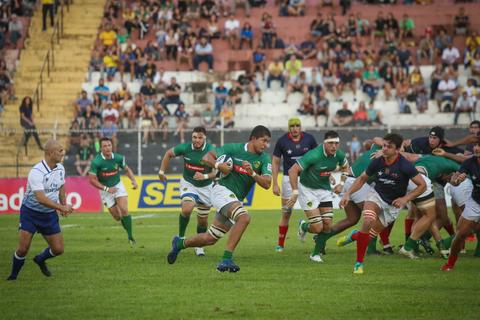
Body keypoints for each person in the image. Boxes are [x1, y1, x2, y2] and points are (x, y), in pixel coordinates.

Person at [167, 125, 272, 272]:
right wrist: (219, 165)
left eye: (268, 142)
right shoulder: (233, 148)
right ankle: (226, 259)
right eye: (264, 141)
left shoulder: (264, 159)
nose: (266, 145)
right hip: (221, 191)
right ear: (253, 138)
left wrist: (253, 174)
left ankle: (179, 243)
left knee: (210, 238)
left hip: (235, 199)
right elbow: (206, 157)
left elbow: (267, 184)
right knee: (244, 218)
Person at [339, 133, 426, 274]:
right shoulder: (378, 161)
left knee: (368, 236)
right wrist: (348, 194)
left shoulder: (405, 165)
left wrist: (405, 199)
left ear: (397, 150)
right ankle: (358, 264)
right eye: (384, 145)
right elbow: (361, 179)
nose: (384, 149)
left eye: (388, 147)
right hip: (376, 196)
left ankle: (355, 236)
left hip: (393, 205)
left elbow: (422, 185)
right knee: (367, 221)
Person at [7, 140, 73, 280]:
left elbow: (61, 186)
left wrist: (63, 203)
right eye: (60, 151)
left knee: (58, 249)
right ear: (50, 153)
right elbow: (41, 199)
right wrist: (61, 207)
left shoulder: (60, 168)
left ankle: (40, 259)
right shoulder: (36, 172)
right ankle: (13, 277)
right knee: (23, 248)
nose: (63, 153)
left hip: (48, 214)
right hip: (30, 213)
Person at [287, 131, 349, 262]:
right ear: (324, 143)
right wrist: (295, 192)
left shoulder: (339, 155)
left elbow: (345, 167)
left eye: (336, 143)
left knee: (327, 225)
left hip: (325, 190)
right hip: (307, 190)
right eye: (331, 143)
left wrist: (341, 183)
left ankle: (315, 254)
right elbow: (293, 170)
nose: (334, 146)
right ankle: (304, 226)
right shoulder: (313, 155)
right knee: (317, 228)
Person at [158, 127, 215, 257]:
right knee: (187, 209)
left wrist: (204, 176)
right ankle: (181, 238)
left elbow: (217, 172)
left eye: (200, 137)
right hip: (188, 184)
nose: (197, 140)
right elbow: (168, 154)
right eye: (194, 137)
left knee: (202, 221)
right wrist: (161, 172)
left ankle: (199, 246)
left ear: (205, 138)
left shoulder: (211, 151)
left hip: (206, 188)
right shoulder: (185, 148)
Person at [272, 117, 317, 252]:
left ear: (300, 127)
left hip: (307, 178)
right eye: (292, 126)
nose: (295, 128)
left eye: (297, 125)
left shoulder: (309, 139)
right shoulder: (282, 141)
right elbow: (275, 162)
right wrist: (275, 183)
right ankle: (280, 244)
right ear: (289, 128)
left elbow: (318, 158)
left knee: (313, 211)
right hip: (287, 179)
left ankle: (316, 237)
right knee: (286, 212)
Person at [88, 137, 138, 245]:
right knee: (117, 217)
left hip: (118, 185)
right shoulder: (97, 162)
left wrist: (133, 180)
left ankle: (130, 236)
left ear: (112, 146)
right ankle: (126, 228)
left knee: (124, 210)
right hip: (105, 190)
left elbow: (127, 170)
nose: (107, 148)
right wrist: (107, 189)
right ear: (101, 148)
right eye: (105, 146)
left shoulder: (119, 158)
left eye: (109, 145)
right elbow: (91, 180)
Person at [443, 145, 480, 271]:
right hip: (475, 203)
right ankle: (450, 264)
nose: (476, 148)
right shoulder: (470, 162)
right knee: (460, 235)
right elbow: (454, 179)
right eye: (476, 145)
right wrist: (456, 180)